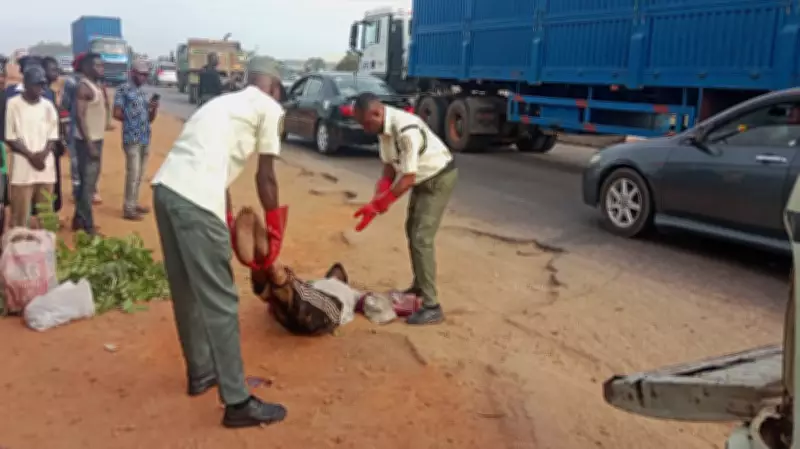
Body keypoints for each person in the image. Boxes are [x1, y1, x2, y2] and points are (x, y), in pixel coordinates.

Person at [150, 56, 288, 428]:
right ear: (274, 87)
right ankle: (238, 402)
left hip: (166, 190)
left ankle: (201, 373)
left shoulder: (221, 103)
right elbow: (266, 177)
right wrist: (275, 229)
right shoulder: (270, 109)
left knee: (186, 291)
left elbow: (217, 166)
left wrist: (226, 219)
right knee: (222, 301)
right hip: (195, 200)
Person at [351, 92, 458, 325]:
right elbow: (389, 169)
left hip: (439, 177)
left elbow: (407, 178)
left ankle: (432, 306)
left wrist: (381, 204)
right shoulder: (382, 130)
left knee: (421, 237)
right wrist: (375, 200)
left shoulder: (406, 130)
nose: (364, 128)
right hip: (422, 177)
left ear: (377, 113)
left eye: (366, 123)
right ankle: (420, 287)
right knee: (411, 229)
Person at [3, 66, 59, 228]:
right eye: (36, 85)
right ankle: (18, 248)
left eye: (42, 85)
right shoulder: (13, 104)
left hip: (45, 166)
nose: (40, 88)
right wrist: (31, 156)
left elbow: (53, 135)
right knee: (19, 215)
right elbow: (10, 137)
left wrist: (42, 155)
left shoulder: (48, 106)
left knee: (46, 214)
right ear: (26, 84)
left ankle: (45, 249)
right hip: (23, 167)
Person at [113, 60, 158, 221]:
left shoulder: (142, 93)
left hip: (145, 137)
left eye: (146, 74)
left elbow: (150, 119)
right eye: (141, 74)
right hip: (131, 137)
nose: (144, 77)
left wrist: (153, 108)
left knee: (140, 173)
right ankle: (129, 208)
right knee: (133, 173)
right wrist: (132, 120)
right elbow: (116, 113)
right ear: (133, 73)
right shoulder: (123, 90)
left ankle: (134, 201)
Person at [72, 53, 106, 235]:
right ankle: (88, 225)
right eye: (98, 66)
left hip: (95, 139)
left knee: (88, 181)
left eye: (102, 65)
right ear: (86, 67)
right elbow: (79, 116)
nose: (102, 68)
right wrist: (90, 144)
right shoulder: (84, 88)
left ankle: (78, 219)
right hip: (88, 142)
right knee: (88, 185)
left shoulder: (96, 86)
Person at [61, 53, 85, 202]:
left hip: (89, 128)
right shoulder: (70, 82)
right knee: (75, 160)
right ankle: (77, 189)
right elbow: (65, 105)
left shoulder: (92, 82)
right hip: (74, 126)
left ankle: (88, 188)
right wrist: (65, 127)